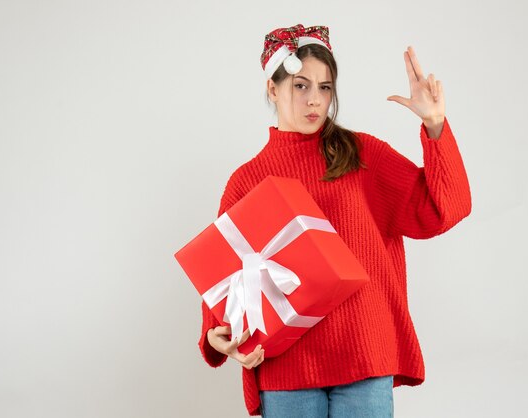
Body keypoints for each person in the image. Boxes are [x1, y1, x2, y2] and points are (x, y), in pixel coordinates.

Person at [199, 23, 472, 417]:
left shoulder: (363, 155)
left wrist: (435, 126)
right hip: (286, 366)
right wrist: (216, 333)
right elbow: (223, 277)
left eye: (325, 88)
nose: (314, 100)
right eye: (300, 86)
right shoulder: (247, 181)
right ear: (272, 89)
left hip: (363, 354)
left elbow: (443, 207)